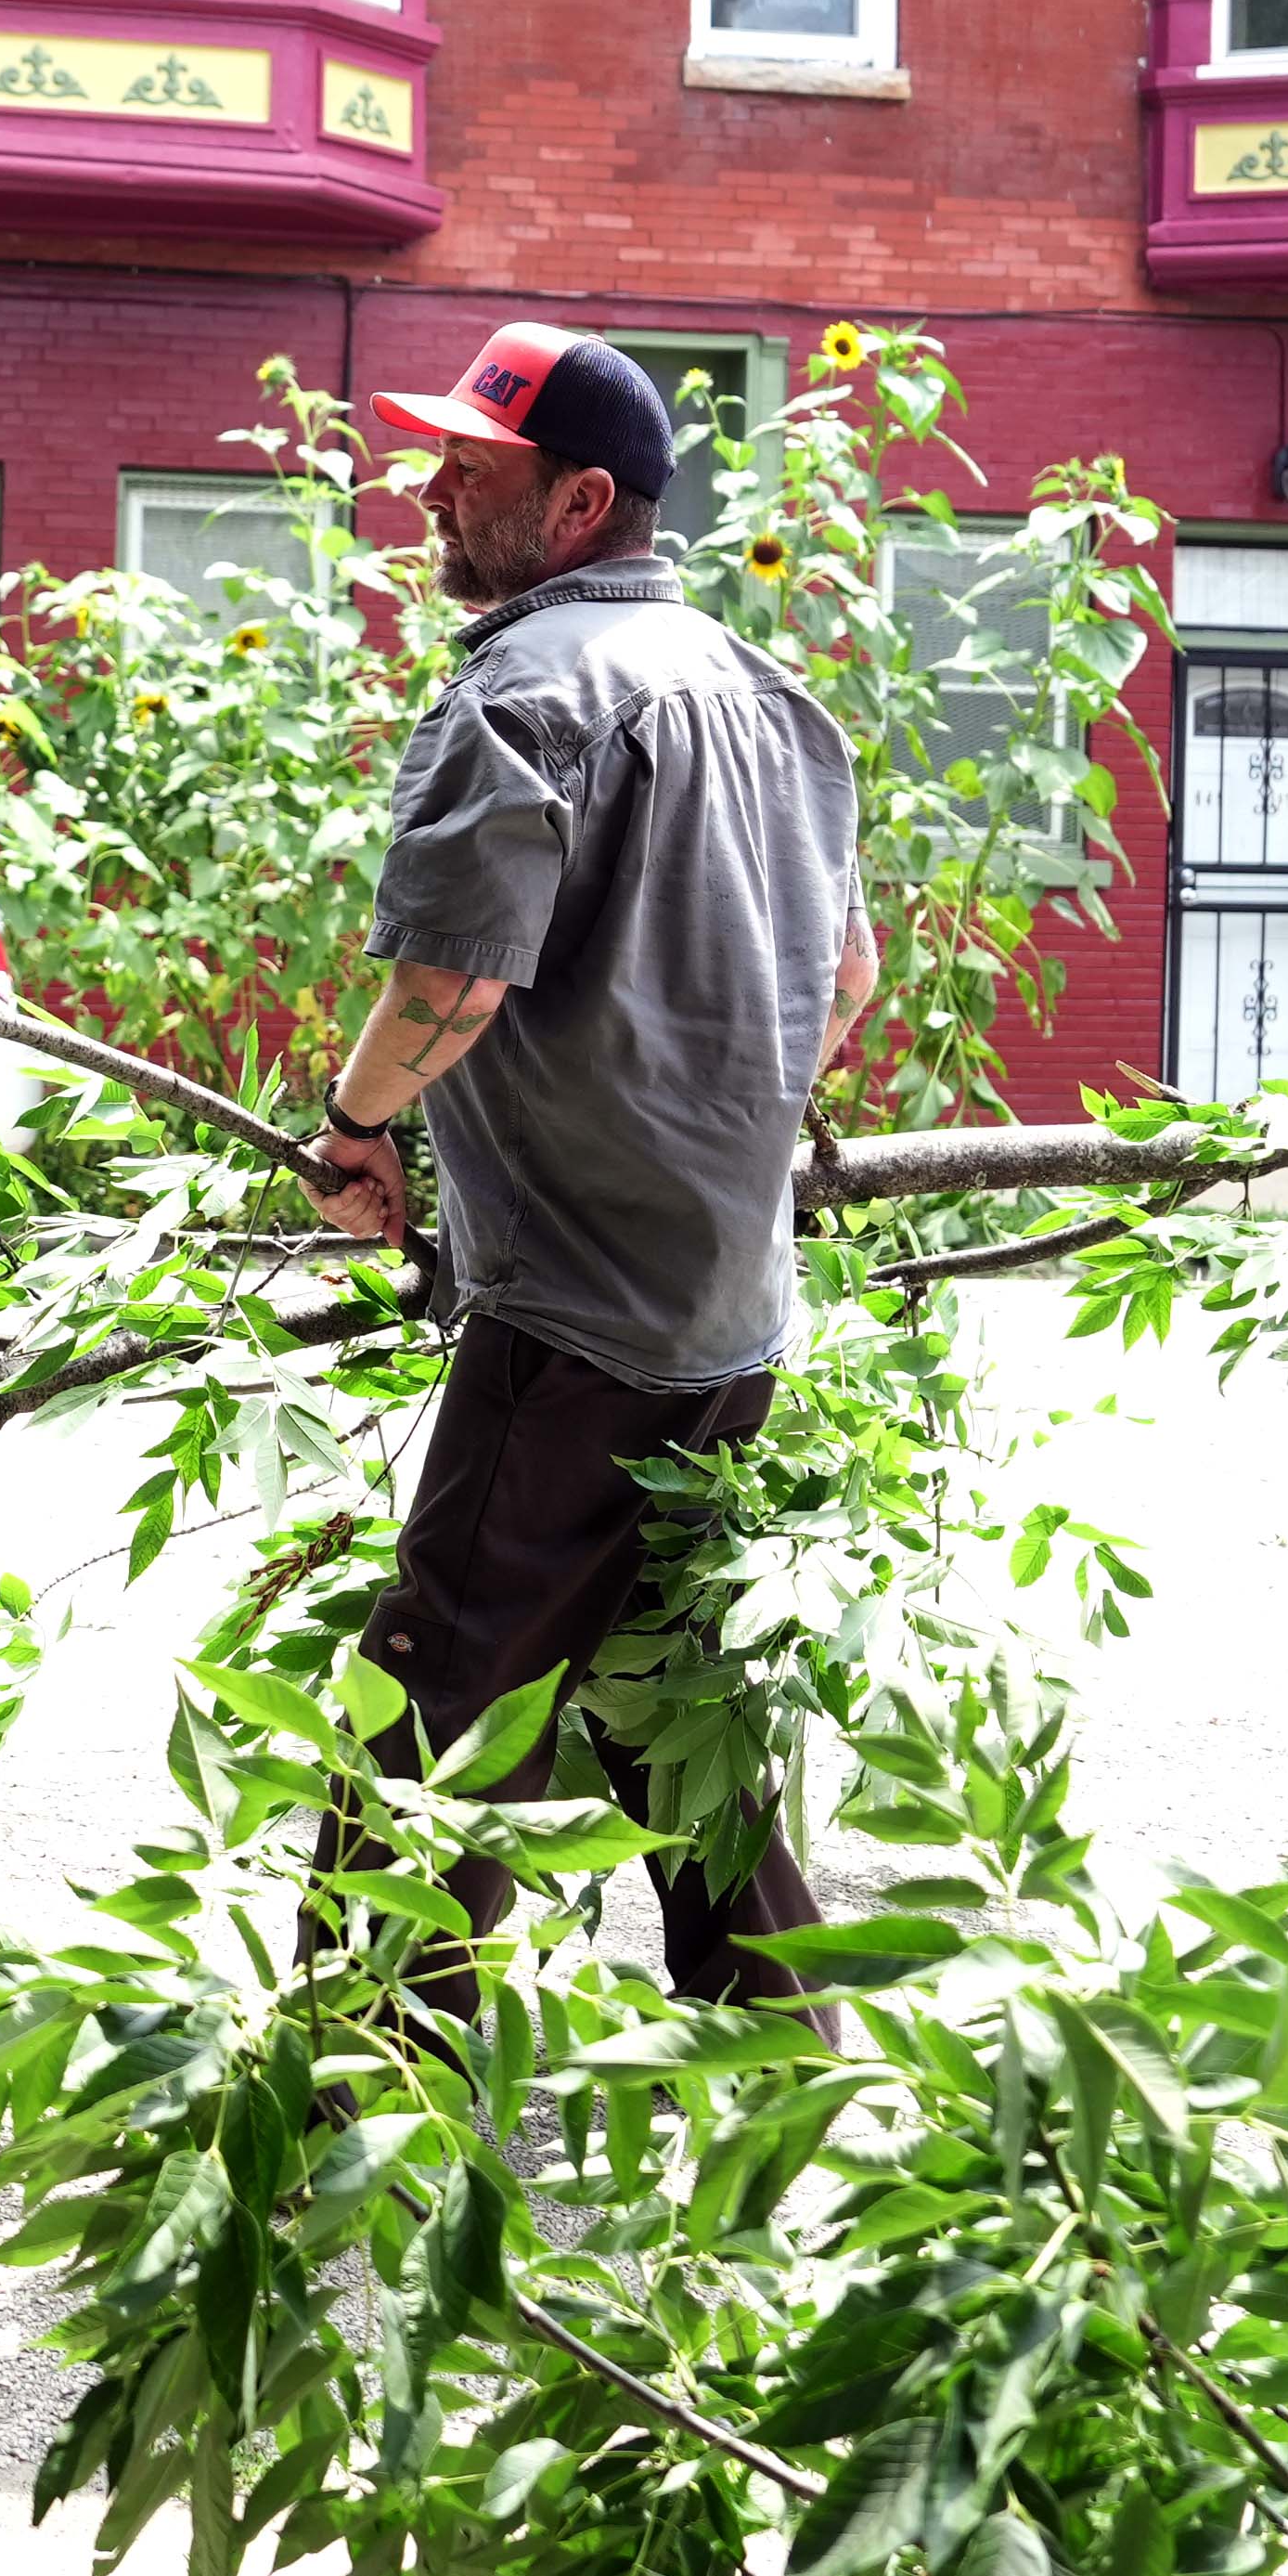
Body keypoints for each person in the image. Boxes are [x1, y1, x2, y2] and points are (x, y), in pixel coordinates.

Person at [300, 322, 874, 2003]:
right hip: (730, 1304)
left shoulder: (528, 691)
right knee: (666, 1679)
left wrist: (355, 1132)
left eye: (466, 474)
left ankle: (357, 2068)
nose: (423, 500)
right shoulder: (771, 696)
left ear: (579, 505)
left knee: (437, 1700)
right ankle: (779, 2034)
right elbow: (846, 981)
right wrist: (723, 1137)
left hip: (581, 1319)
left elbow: (452, 984)